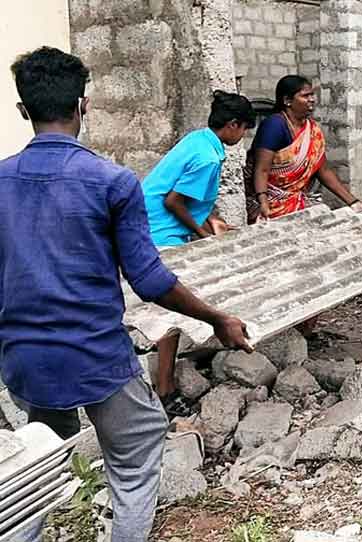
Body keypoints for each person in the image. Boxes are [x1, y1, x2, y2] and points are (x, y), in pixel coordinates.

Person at [0, 47, 253, 542]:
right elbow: (150, 280)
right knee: (137, 456)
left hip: (26, 361)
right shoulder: (110, 181)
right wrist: (215, 317)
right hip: (96, 355)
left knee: (36, 469)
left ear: (23, 110)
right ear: (84, 105)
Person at [142, 90, 256, 409]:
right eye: (244, 129)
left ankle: (165, 377)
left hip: (150, 222)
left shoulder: (200, 141)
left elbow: (195, 199)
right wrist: (201, 233)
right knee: (172, 309)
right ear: (233, 125)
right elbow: (174, 202)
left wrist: (212, 223)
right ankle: (165, 388)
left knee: (171, 305)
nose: (243, 136)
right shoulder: (207, 157)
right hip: (160, 230)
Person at [244, 74, 362, 223]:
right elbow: (261, 169)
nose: (312, 99)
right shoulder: (274, 125)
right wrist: (263, 202)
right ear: (287, 101)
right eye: (305, 96)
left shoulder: (312, 130)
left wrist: (353, 202)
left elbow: (324, 171)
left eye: (312, 94)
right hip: (266, 202)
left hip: (294, 202)